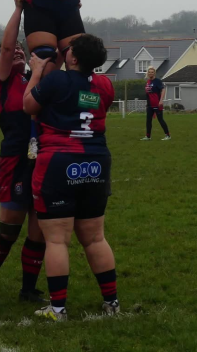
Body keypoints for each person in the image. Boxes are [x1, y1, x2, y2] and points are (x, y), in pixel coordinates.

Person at [22, 33, 119, 322]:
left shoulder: (56, 81)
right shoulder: (104, 85)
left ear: (73, 58)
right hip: (97, 161)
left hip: (59, 161)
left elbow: (28, 105)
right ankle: (111, 303)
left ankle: (58, 308)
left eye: (69, 50)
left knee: (57, 240)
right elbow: (87, 103)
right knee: (95, 237)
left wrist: (37, 71)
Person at [0, 0, 45, 303]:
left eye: (22, 49)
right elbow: (6, 46)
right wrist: (18, 8)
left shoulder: (34, 78)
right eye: (14, 50)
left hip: (41, 157)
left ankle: (28, 290)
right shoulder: (3, 79)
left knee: (39, 231)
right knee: (9, 229)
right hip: (14, 158)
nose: (18, 50)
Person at [141, 66, 171, 141]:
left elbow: (163, 90)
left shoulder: (157, 81)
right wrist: (147, 103)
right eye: (149, 72)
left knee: (160, 120)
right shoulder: (148, 82)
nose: (151, 73)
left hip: (157, 104)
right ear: (147, 73)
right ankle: (148, 136)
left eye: (152, 72)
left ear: (154, 73)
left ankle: (168, 135)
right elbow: (148, 94)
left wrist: (161, 100)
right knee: (148, 121)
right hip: (150, 105)